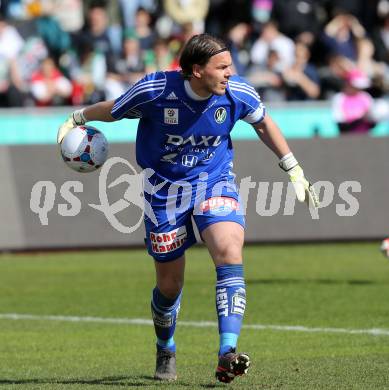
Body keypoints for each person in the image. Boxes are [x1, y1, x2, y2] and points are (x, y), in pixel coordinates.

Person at [57, 33, 319, 383]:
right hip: (162, 193)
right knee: (170, 285)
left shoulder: (237, 93)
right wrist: (77, 118)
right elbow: (115, 109)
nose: (231, 72)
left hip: (215, 182)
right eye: (222, 66)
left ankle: (227, 352)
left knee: (229, 251)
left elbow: (263, 122)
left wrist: (293, 167)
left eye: (230, 65)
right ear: (197, 70)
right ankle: (165, 346)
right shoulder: (154, 90)